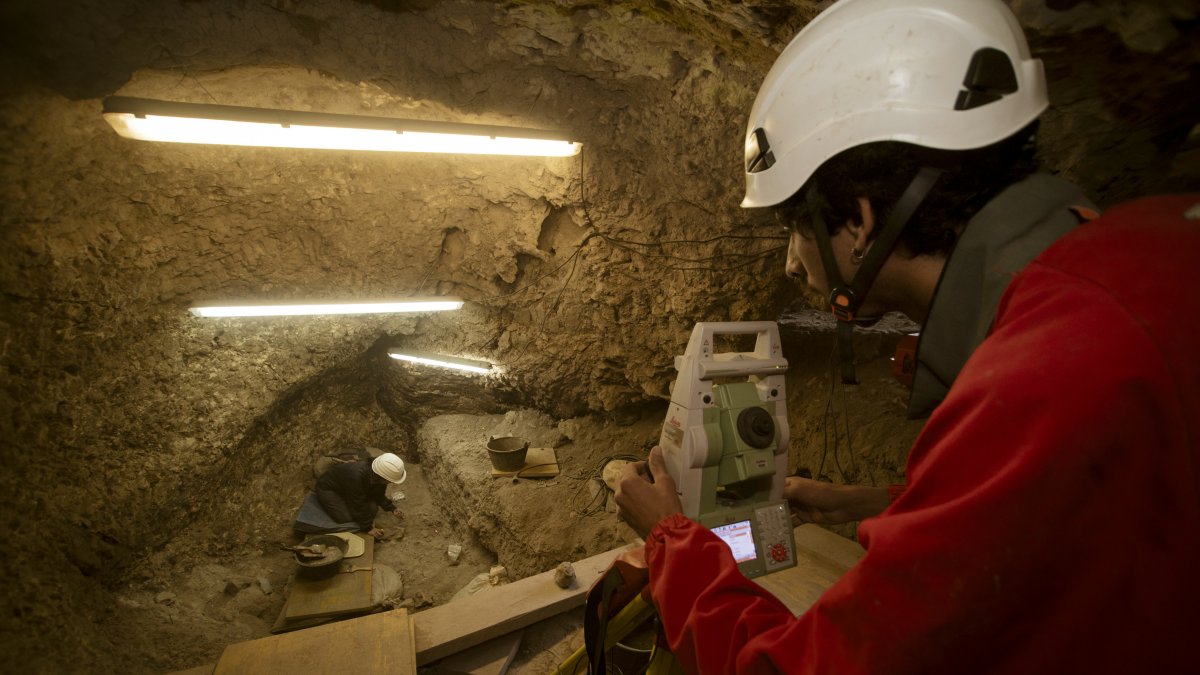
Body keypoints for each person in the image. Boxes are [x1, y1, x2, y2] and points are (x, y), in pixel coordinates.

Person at [615, 0, 1200, 672]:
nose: (791, 264)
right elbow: (1051, 518)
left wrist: (670, 542)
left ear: (860, 222)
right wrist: (877, 504)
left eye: (797, 228)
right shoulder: (1145, 249)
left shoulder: (1034, 380)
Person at [293, 452, 407, 538]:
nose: (390, 482)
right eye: (390, 480)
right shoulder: (356, 476)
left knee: (372, 509)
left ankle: (347, 502)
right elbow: (356, 504)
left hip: (348, 490)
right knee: (345, 517)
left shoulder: (378, 474)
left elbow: (378, 494)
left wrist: (392, 508)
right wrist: (368, 528)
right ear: (380, 476)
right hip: (329, 489)